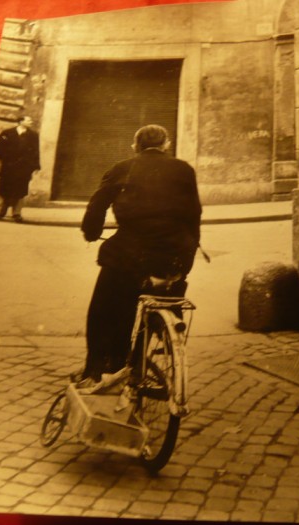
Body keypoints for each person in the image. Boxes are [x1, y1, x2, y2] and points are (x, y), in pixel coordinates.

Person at [76, 124, 202, 390]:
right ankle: (139, 363)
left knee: (103, 309)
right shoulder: (184, 169)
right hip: (173, 256)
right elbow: (194, 214)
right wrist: (187, 257)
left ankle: (97, 369)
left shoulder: (123, 168)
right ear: (167, 145)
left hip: (130, 254)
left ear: (136, 146)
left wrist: (91, 232)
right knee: (160, 298)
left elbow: (97, 204)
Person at [0, 115, 40, 223]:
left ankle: (17, 213)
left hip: (24, 167)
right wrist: (6, 160)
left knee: (20, 190)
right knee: (4, 189)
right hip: (9, 166)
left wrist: (35, 166)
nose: (31, 122)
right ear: (20, 122)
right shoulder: (7, 133)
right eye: (28, 120)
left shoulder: (33, 135)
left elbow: (36, 152)